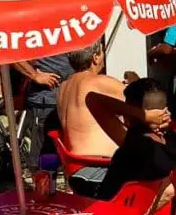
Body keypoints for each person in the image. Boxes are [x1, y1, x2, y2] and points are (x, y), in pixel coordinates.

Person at [94, 77, 176, 211]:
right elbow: (94, 100)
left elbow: (94, 101)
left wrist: (143, 115)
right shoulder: (135, 140)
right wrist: (145, 115)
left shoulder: (164, 138)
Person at [53, 43, 125, 193]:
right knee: (168, 187)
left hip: (73, 169)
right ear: (95, 57)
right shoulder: (100, 82)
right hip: (99, 169)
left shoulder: (63, 87)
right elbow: (146, 104)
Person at [13, 52, 73, 169]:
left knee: (62, 154)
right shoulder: (37, 33)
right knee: (44, 157)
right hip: (45, 102)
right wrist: (35, 75)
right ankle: (43, 186)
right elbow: (12, 54)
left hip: (65, 100)